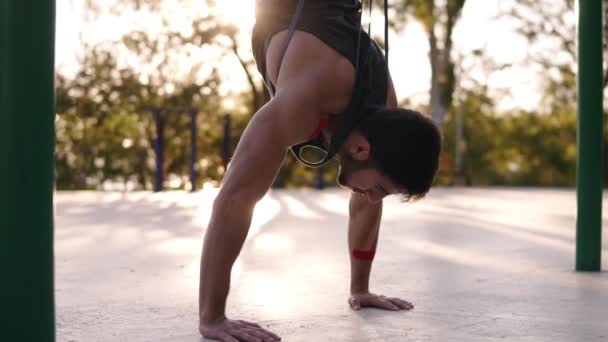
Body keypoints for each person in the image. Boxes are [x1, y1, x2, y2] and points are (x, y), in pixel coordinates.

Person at [199, 0, 442, 341]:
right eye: (380, 189)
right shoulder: (303, 100)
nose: (374, 198)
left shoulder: (385, 113)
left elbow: (366, 204)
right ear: (360, 149)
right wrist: (213, 316)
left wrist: (360, 288)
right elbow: (234, 198)